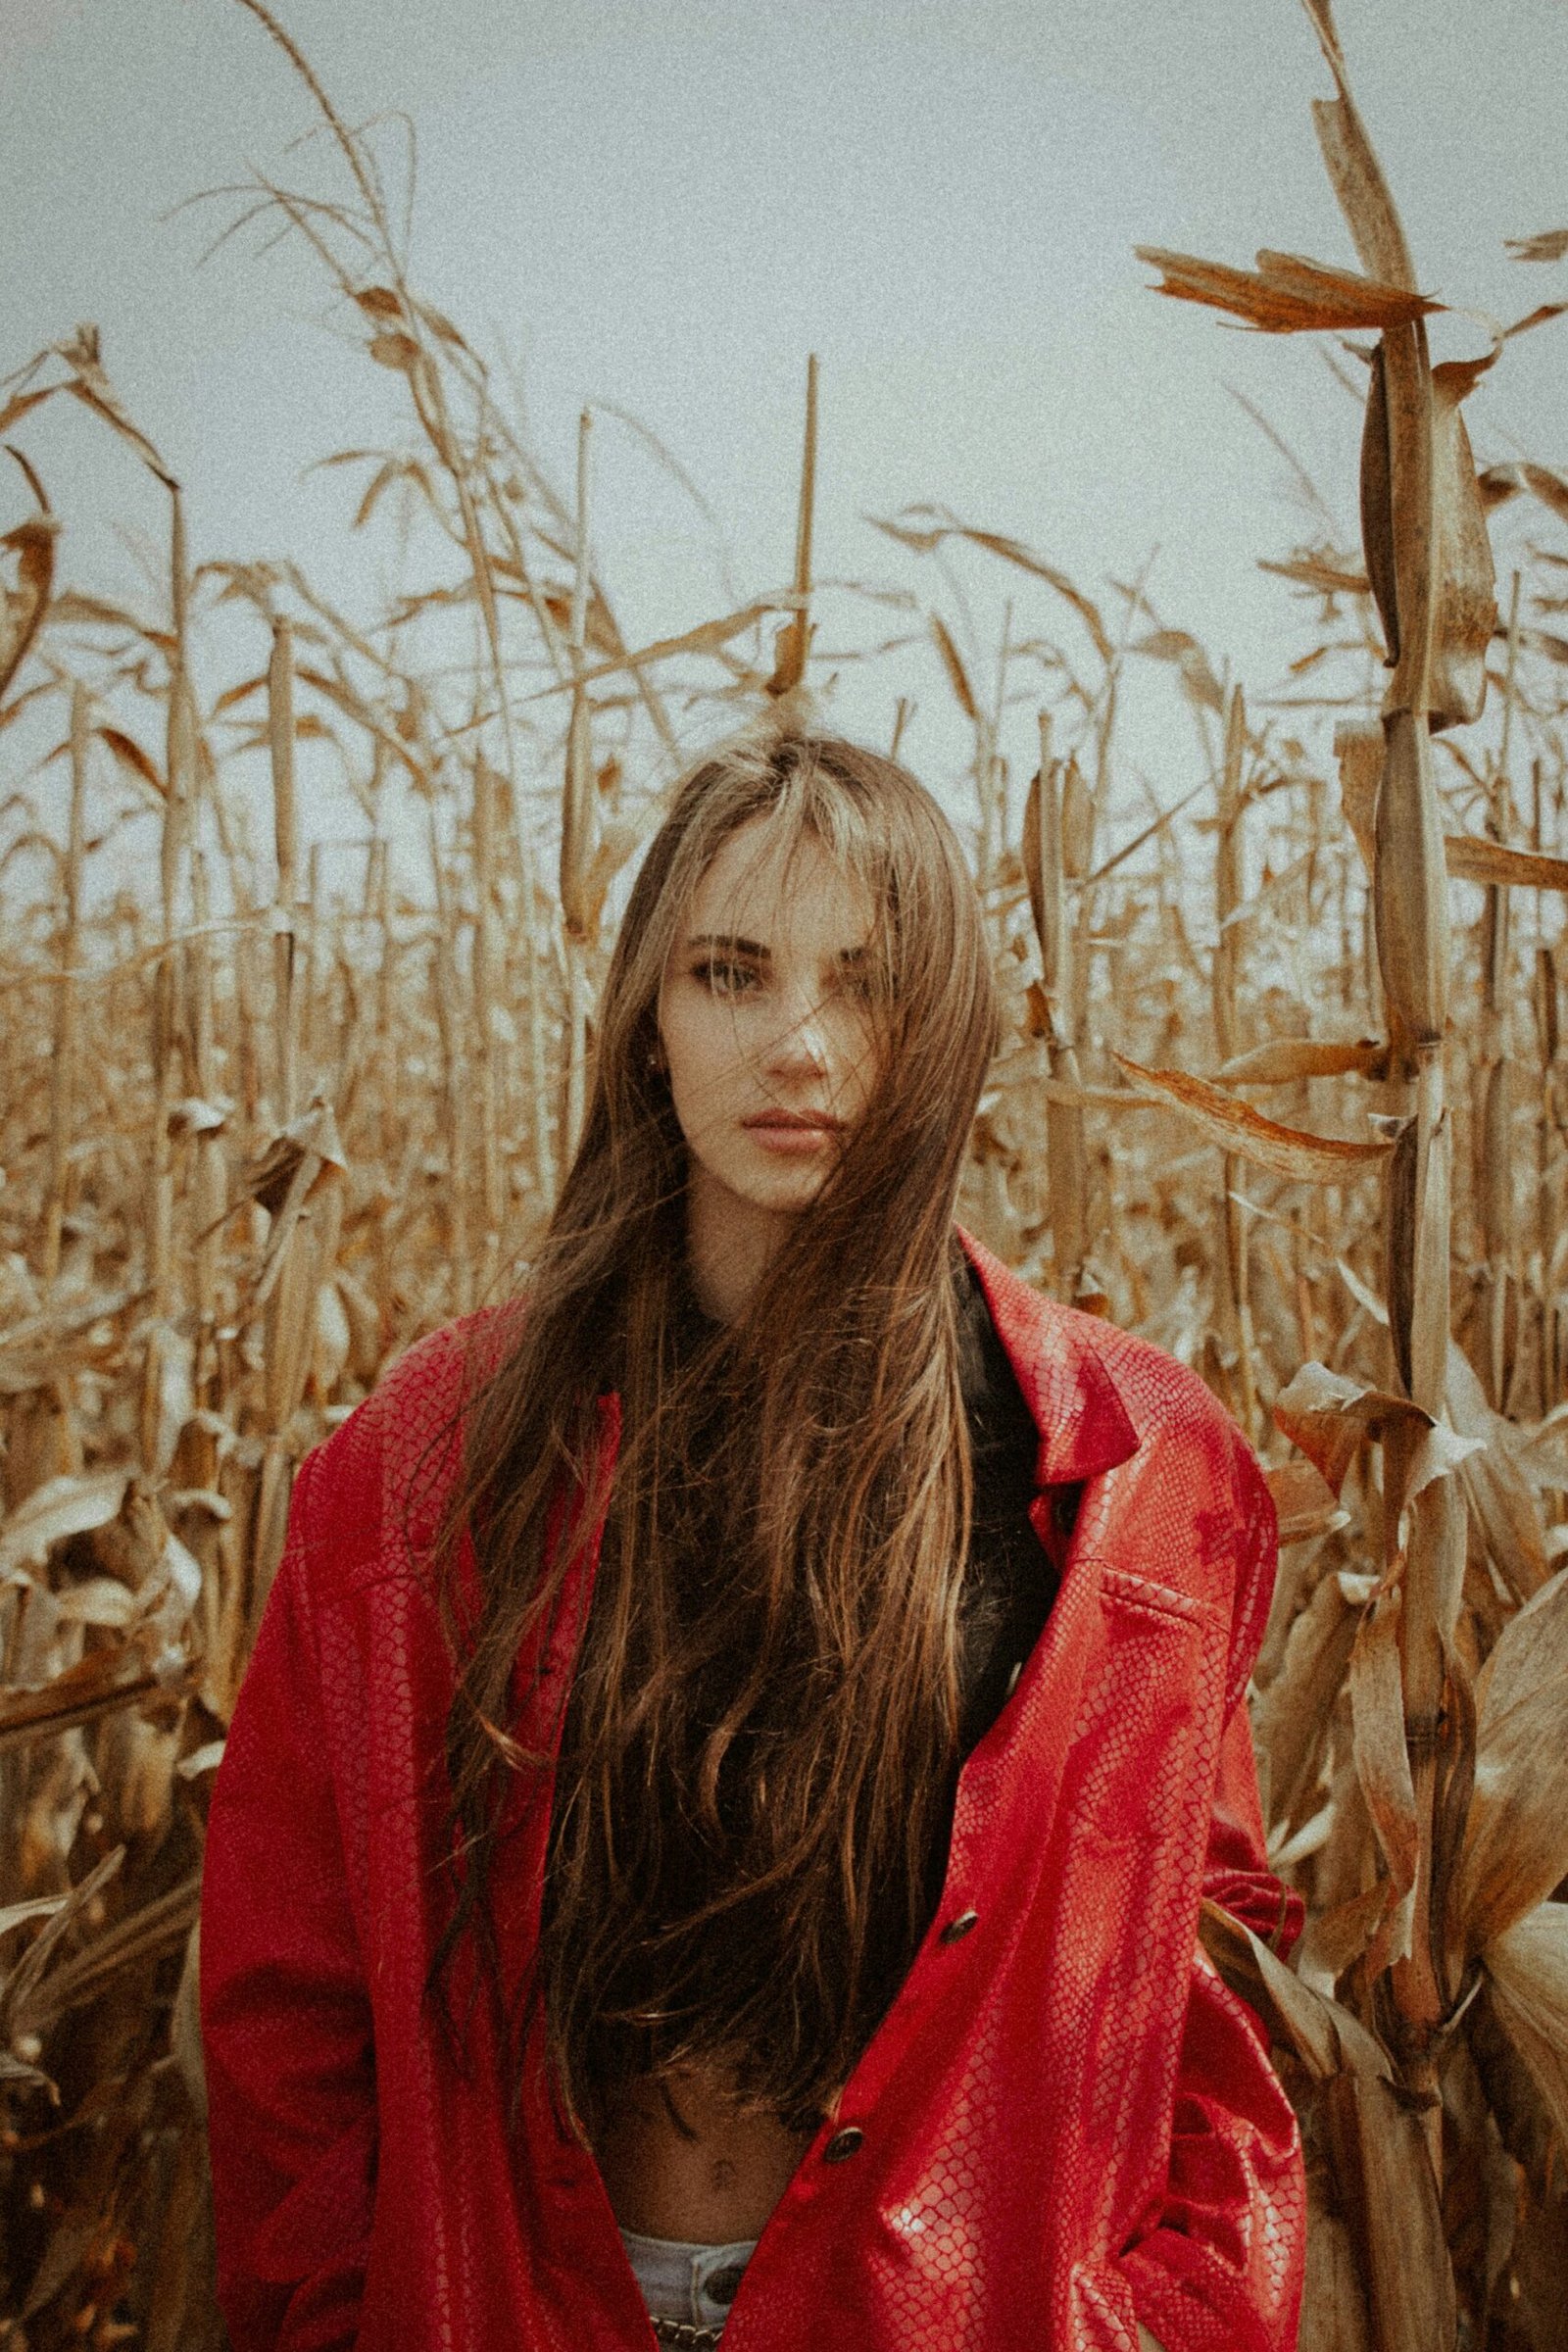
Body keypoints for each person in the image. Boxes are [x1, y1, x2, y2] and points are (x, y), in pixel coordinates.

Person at [200, 725, 1306, 2352]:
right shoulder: (421, 1467)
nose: (799, 1043)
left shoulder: (1140, 1475)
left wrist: (1168, 2322)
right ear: (648, 1025)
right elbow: (288, 2002)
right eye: (731, 972)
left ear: (939, 1028)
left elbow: (1208, 1988)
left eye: (863, 984)